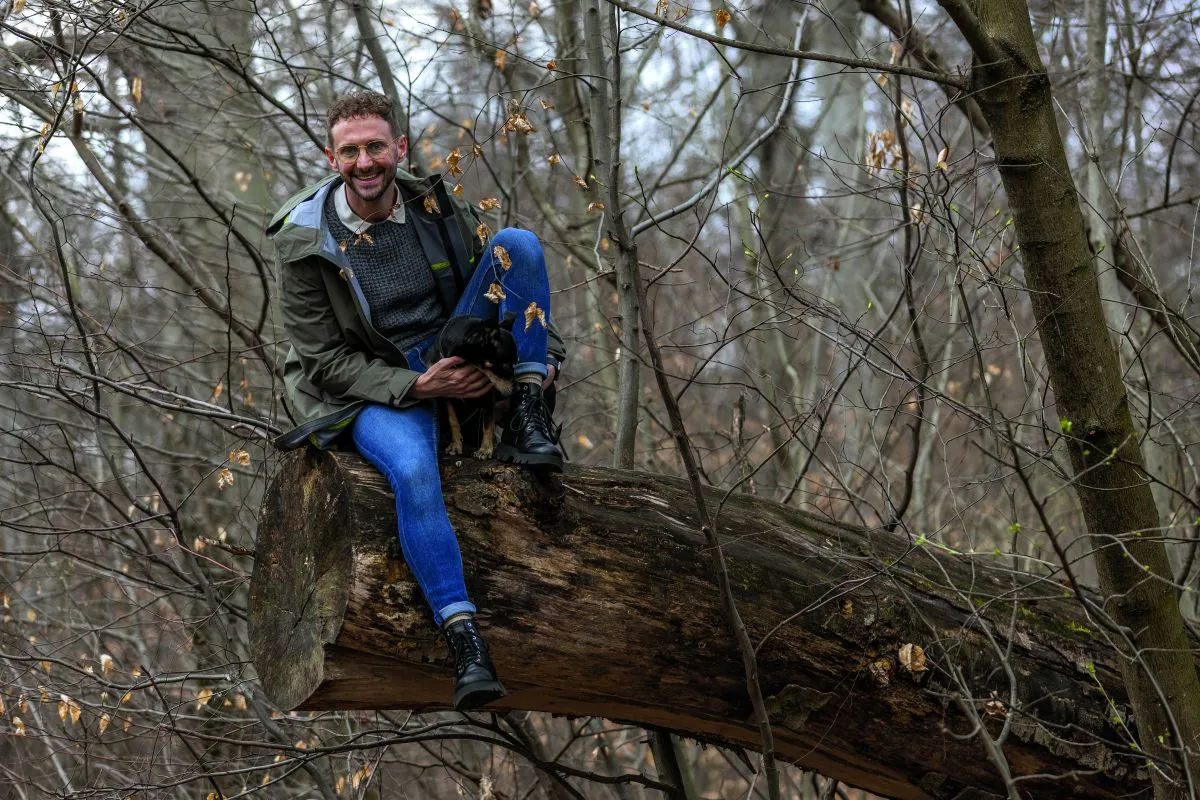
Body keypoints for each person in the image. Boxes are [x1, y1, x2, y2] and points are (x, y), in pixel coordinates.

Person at [267, 90, 566, 711]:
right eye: (350, 151)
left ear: (399, 148)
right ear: (331, 158)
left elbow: (514, 283)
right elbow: (323, 363)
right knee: (411, 471)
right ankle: (465, 641)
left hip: (453, 346)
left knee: (519, 242)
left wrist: (543, 364)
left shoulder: (435, 205)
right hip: (373, 383)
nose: (365, 162)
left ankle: (529, 412)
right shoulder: (303, 242)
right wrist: (418, 386)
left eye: (376, 147)